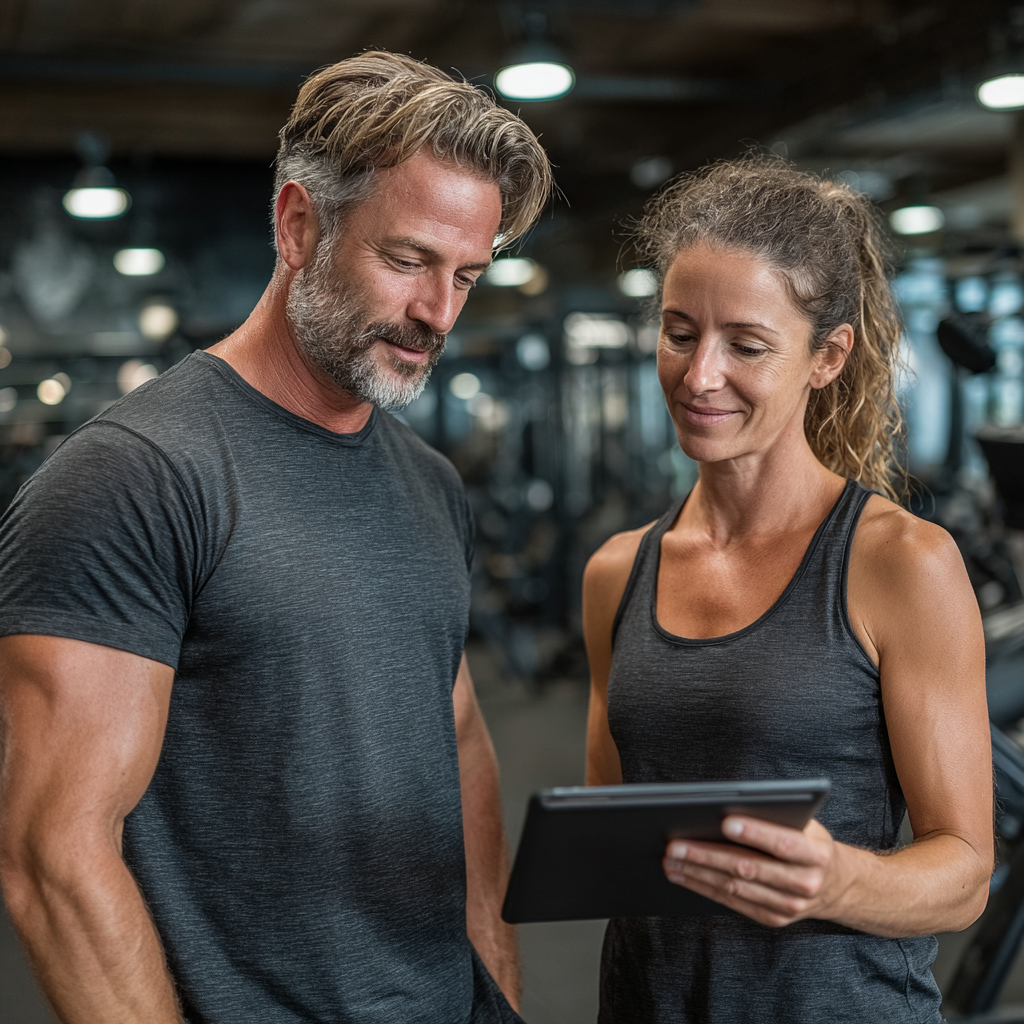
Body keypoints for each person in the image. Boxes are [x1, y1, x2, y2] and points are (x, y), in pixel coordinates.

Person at [0, 52, 551, 1024]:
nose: (438, 313)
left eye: (467, 274)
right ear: (298, 224)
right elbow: (54, 857)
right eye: (408, 259)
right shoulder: (135, 477)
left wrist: (494, 981)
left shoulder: (429, 484)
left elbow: (458, 736)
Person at [583, 157, 992, 1023]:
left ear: (826, 357)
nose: (699, 375)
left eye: (748, 345)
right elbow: (610, 833)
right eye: (680, 331)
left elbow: (961, 874)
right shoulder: (617, 572)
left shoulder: (900, 564)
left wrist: (839, 879)